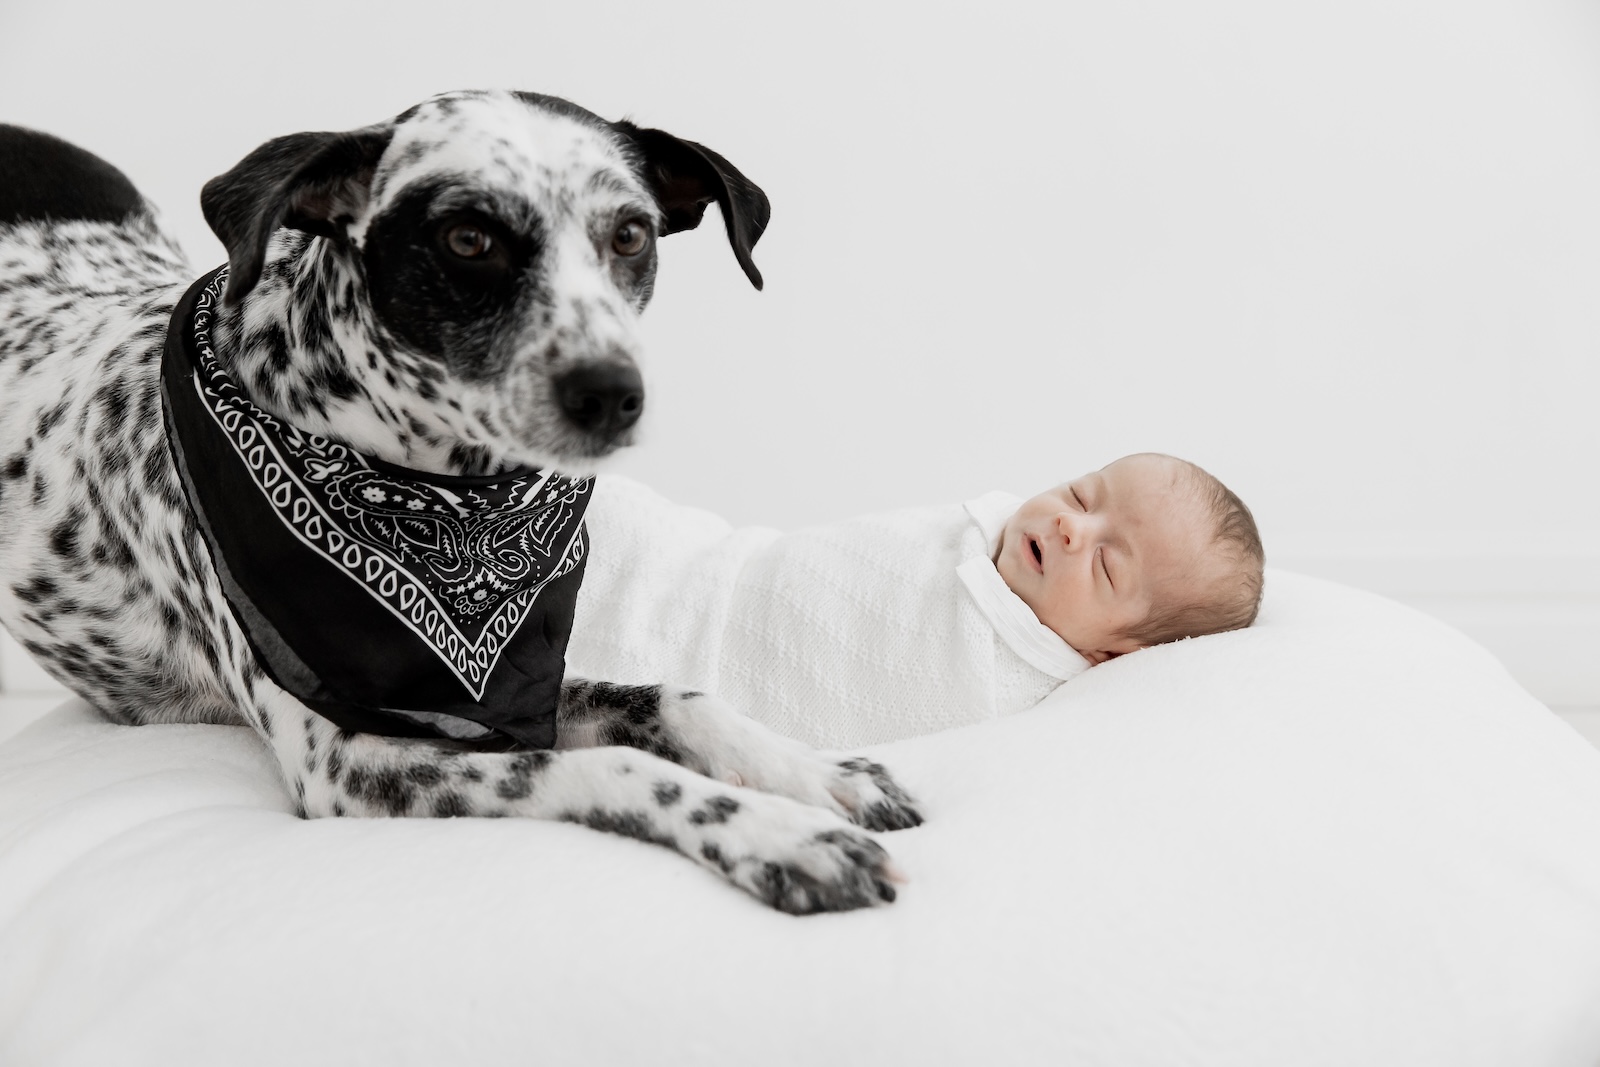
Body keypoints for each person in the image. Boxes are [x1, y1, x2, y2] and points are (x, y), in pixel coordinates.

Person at [565, 453, 1264, 748]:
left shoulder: (1003, 686)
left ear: (1109, 652)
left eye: (1106, 565)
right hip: (713, 565)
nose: (1071, 526)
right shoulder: (978, 536)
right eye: (1083, 495)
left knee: (583, 627)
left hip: (697, 660)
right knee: (591, 511)